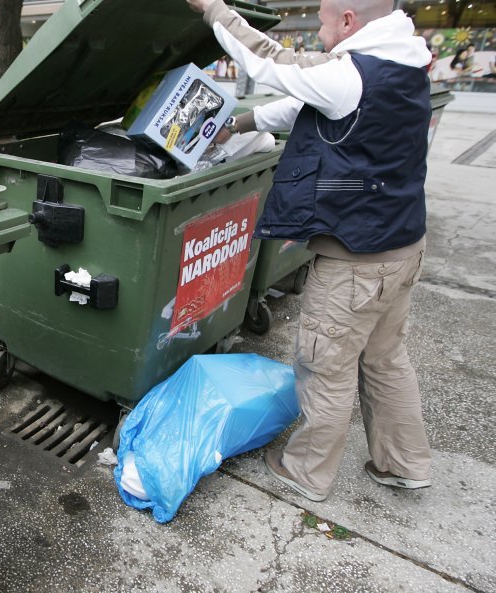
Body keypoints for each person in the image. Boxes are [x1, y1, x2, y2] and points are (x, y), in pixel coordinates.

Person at [188, 0, 434, 502]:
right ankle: (405, 463)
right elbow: (310, 102)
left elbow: (268, 60)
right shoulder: (406, 58)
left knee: (324, 364)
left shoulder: (353, 73)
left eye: (322, 22)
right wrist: (243, 122)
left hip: (357, 258)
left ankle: (305, 472)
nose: (317, 34)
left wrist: (212, 8)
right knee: (385, 359)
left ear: (348, 20)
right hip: (402, 244)